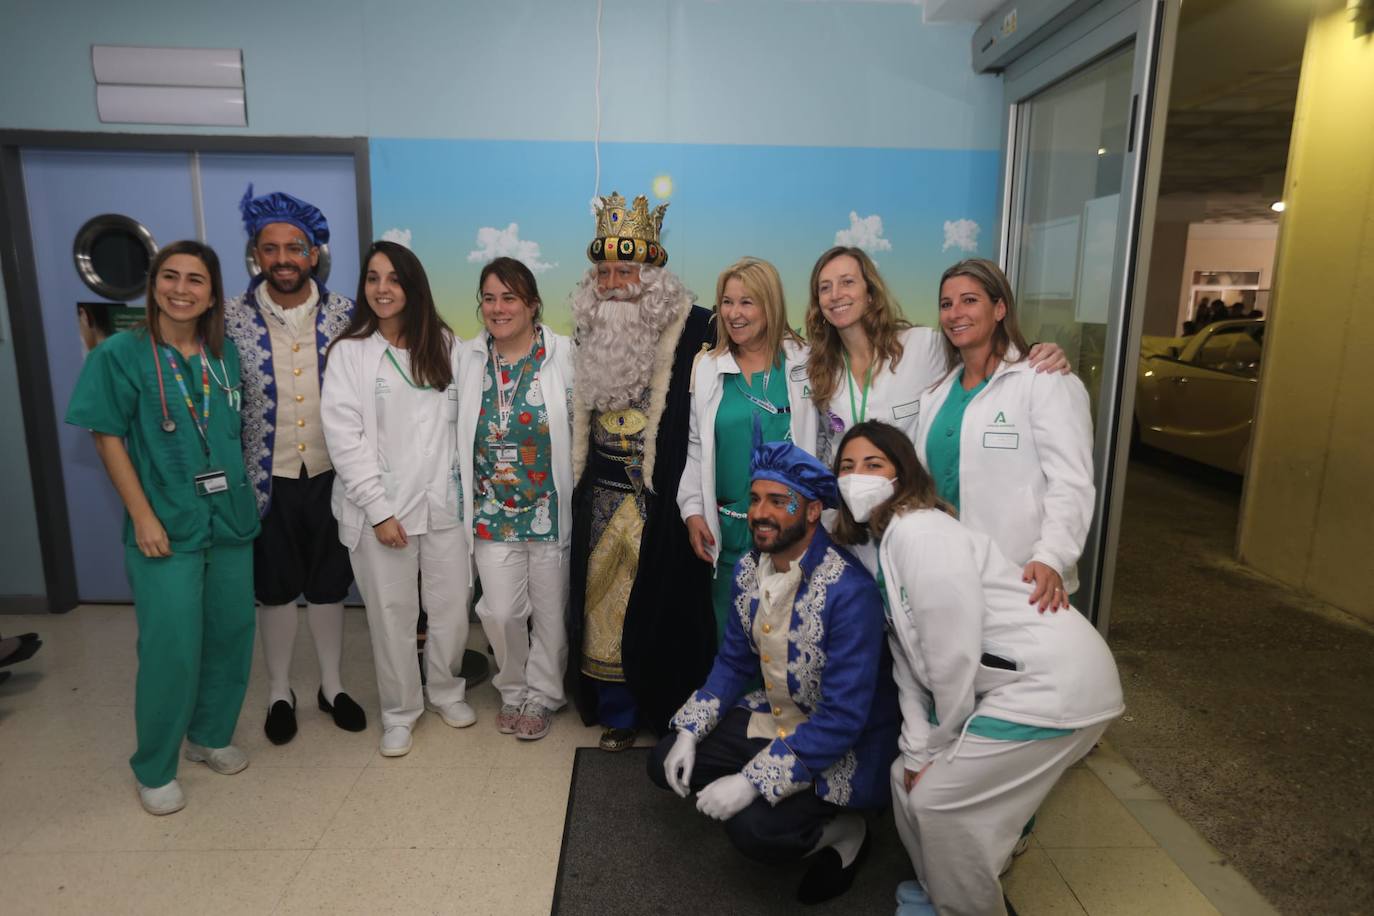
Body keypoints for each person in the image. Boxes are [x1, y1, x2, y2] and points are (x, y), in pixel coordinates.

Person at [829, 421, 1122, 916]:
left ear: (902, 475)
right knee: (906, 778)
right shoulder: (884, 546)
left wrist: (940, 745)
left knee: (939, 804)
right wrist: (920, 751)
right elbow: (908, 663)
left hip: (1054, 685)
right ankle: (937, 895)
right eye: (846, 467)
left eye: (873, 464)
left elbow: (952, 653)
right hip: (1025, 683)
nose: (857, 477)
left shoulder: (921, 532)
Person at [650, 429, 899, 905]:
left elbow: (843, 719)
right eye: (756, 497)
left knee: (754, 832)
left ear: (810, 511)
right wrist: (688, 733)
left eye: (778, 501)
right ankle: (768, 784)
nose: (760, 512)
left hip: (842, 742)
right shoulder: (750, 568)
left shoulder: (850, 593)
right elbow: (732, 662)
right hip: (778, 715)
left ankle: (847, 832)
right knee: (662, 762)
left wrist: (749, 782)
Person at [66, 240, 259, 816]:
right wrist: (143, 515)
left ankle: (208, 735)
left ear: (212, 294)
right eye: (170, 277)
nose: (181, 289)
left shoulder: (222, 357)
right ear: (153, 286)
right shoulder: (120, 355)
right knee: (172, 647)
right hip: (165, 523)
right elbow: (106, 435)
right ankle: (153, 766)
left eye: (195, 280)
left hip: (228, 517)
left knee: (230, 635)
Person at [567, 191, 716, 752]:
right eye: (603, 272)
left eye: (625, 269)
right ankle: (619, 710)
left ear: (653, 273)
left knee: (665, 606)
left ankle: (671, 706)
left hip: (668, 495)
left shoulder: (701, 328)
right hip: (603, 493)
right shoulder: (587, 327)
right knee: (604, 603)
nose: (614, 282)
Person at [320, 241, 473, 758]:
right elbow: (344, 438)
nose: (382, 289)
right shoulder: (351, 352)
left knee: (451, 610)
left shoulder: (447, 345)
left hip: (444, 506)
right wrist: (379, 510)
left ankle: (446, 691)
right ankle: (400, 710)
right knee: (392, 614)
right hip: (381, 511)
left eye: (393, 279)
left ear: (412, 286)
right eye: (372, 278)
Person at [224, 186, 364, 745]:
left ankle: (331, 686)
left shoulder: (347, 316)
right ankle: (279, 690)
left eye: (294, 247)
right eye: (270, 247)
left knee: (331, 585)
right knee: (275, 589)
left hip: (333, 473)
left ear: (313, 253)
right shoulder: (229, 319)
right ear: (256, 255)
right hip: (267, 477)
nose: (282, 258)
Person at [917, 259, 1094, 612]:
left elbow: (1071, 481)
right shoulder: (935, 395)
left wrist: (1052, 557)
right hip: (952, 575)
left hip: (1026, 581)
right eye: (946, 304)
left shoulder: (1044, 380)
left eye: (969, 300)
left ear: (1000, 309)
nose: (955, 314)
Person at [803, 247, 1068, 464]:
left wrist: (1036, 351)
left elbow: (983, 346)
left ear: (870, 293)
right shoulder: (818, 366)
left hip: (908, 511)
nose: (836, 295)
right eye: (825, 288)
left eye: (847, 282)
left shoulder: (923, 346)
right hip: (844, 516)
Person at [458, 257, 574, 741]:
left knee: (550, 613)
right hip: (491, 509)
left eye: (509, 298)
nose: (498, 308)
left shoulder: (564, 354)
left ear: (531, 305)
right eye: (489, 297)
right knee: (500, 611)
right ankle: (511, 687)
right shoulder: (466, 359)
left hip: (547, 506)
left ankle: (544, 694)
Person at [679, 257, 816, 644]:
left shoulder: (805, 361)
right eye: (727, 302)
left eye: (747, 302)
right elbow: (695, 446)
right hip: (732, 531)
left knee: (791, 642)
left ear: (770, 305)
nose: (734, 314)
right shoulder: (707, 367)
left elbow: (823, 443)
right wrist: (691, 510)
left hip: (794, 531)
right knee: (734, 639)